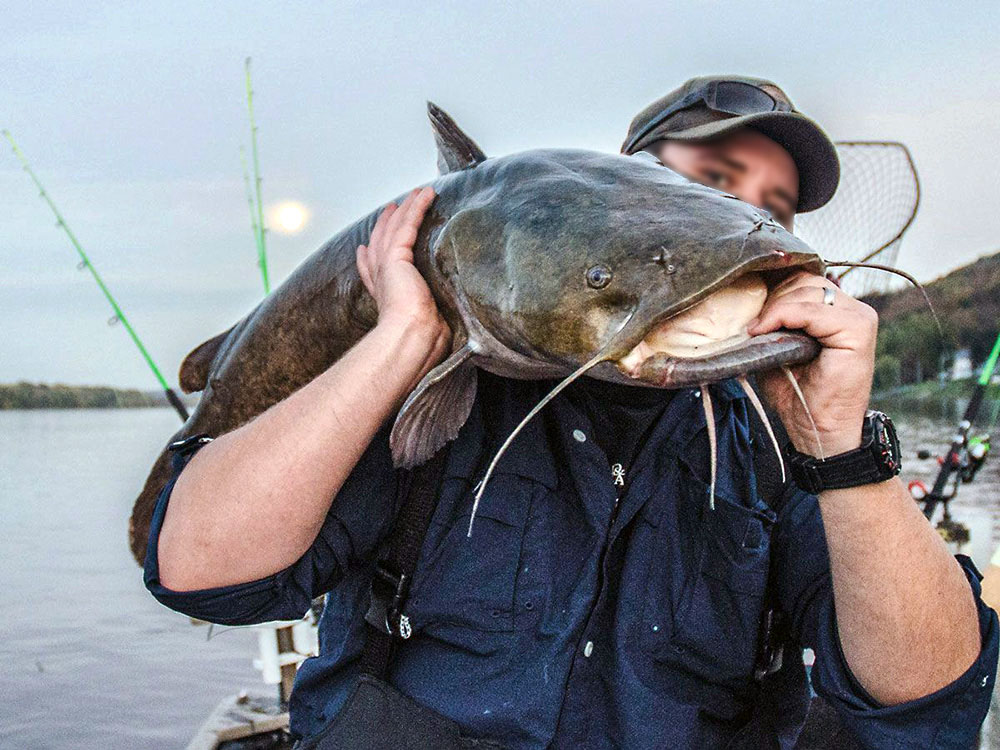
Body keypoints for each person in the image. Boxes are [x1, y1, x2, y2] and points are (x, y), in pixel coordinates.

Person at [143, 76, 998, 748]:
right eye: (713, 179)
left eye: (774, 207)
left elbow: (929, 700)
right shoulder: (413, 394)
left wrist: (843, 450)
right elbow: (200, 572)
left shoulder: (780, 447)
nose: (750, 219)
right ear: (616, 176)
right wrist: (396, 343)